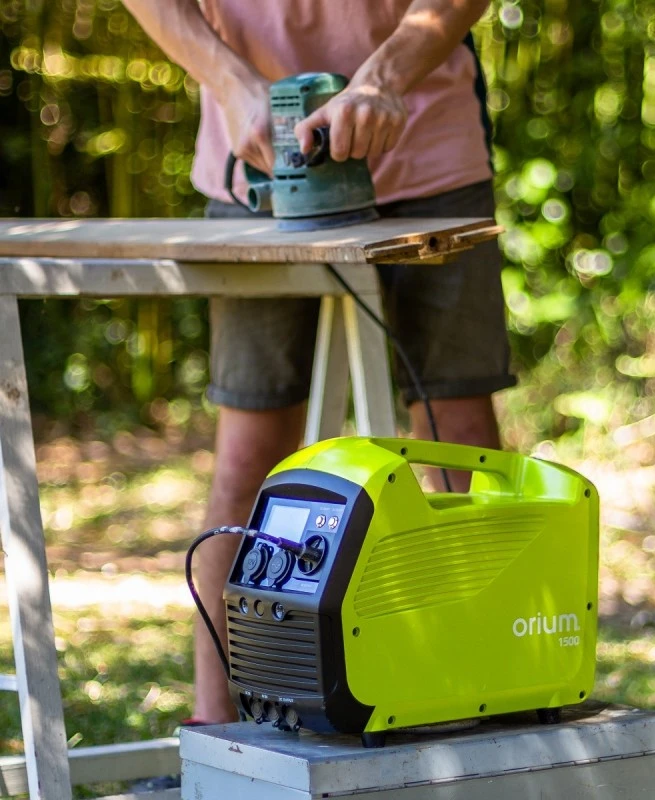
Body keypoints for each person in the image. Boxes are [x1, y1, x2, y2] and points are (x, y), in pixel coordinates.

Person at [121, 0, 515, 725]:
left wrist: (383, 77)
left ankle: (490, 711)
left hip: (428, 152)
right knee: (247, 461)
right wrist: (231, 82)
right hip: (255, 161)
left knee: (463, 448)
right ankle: (217, 736)